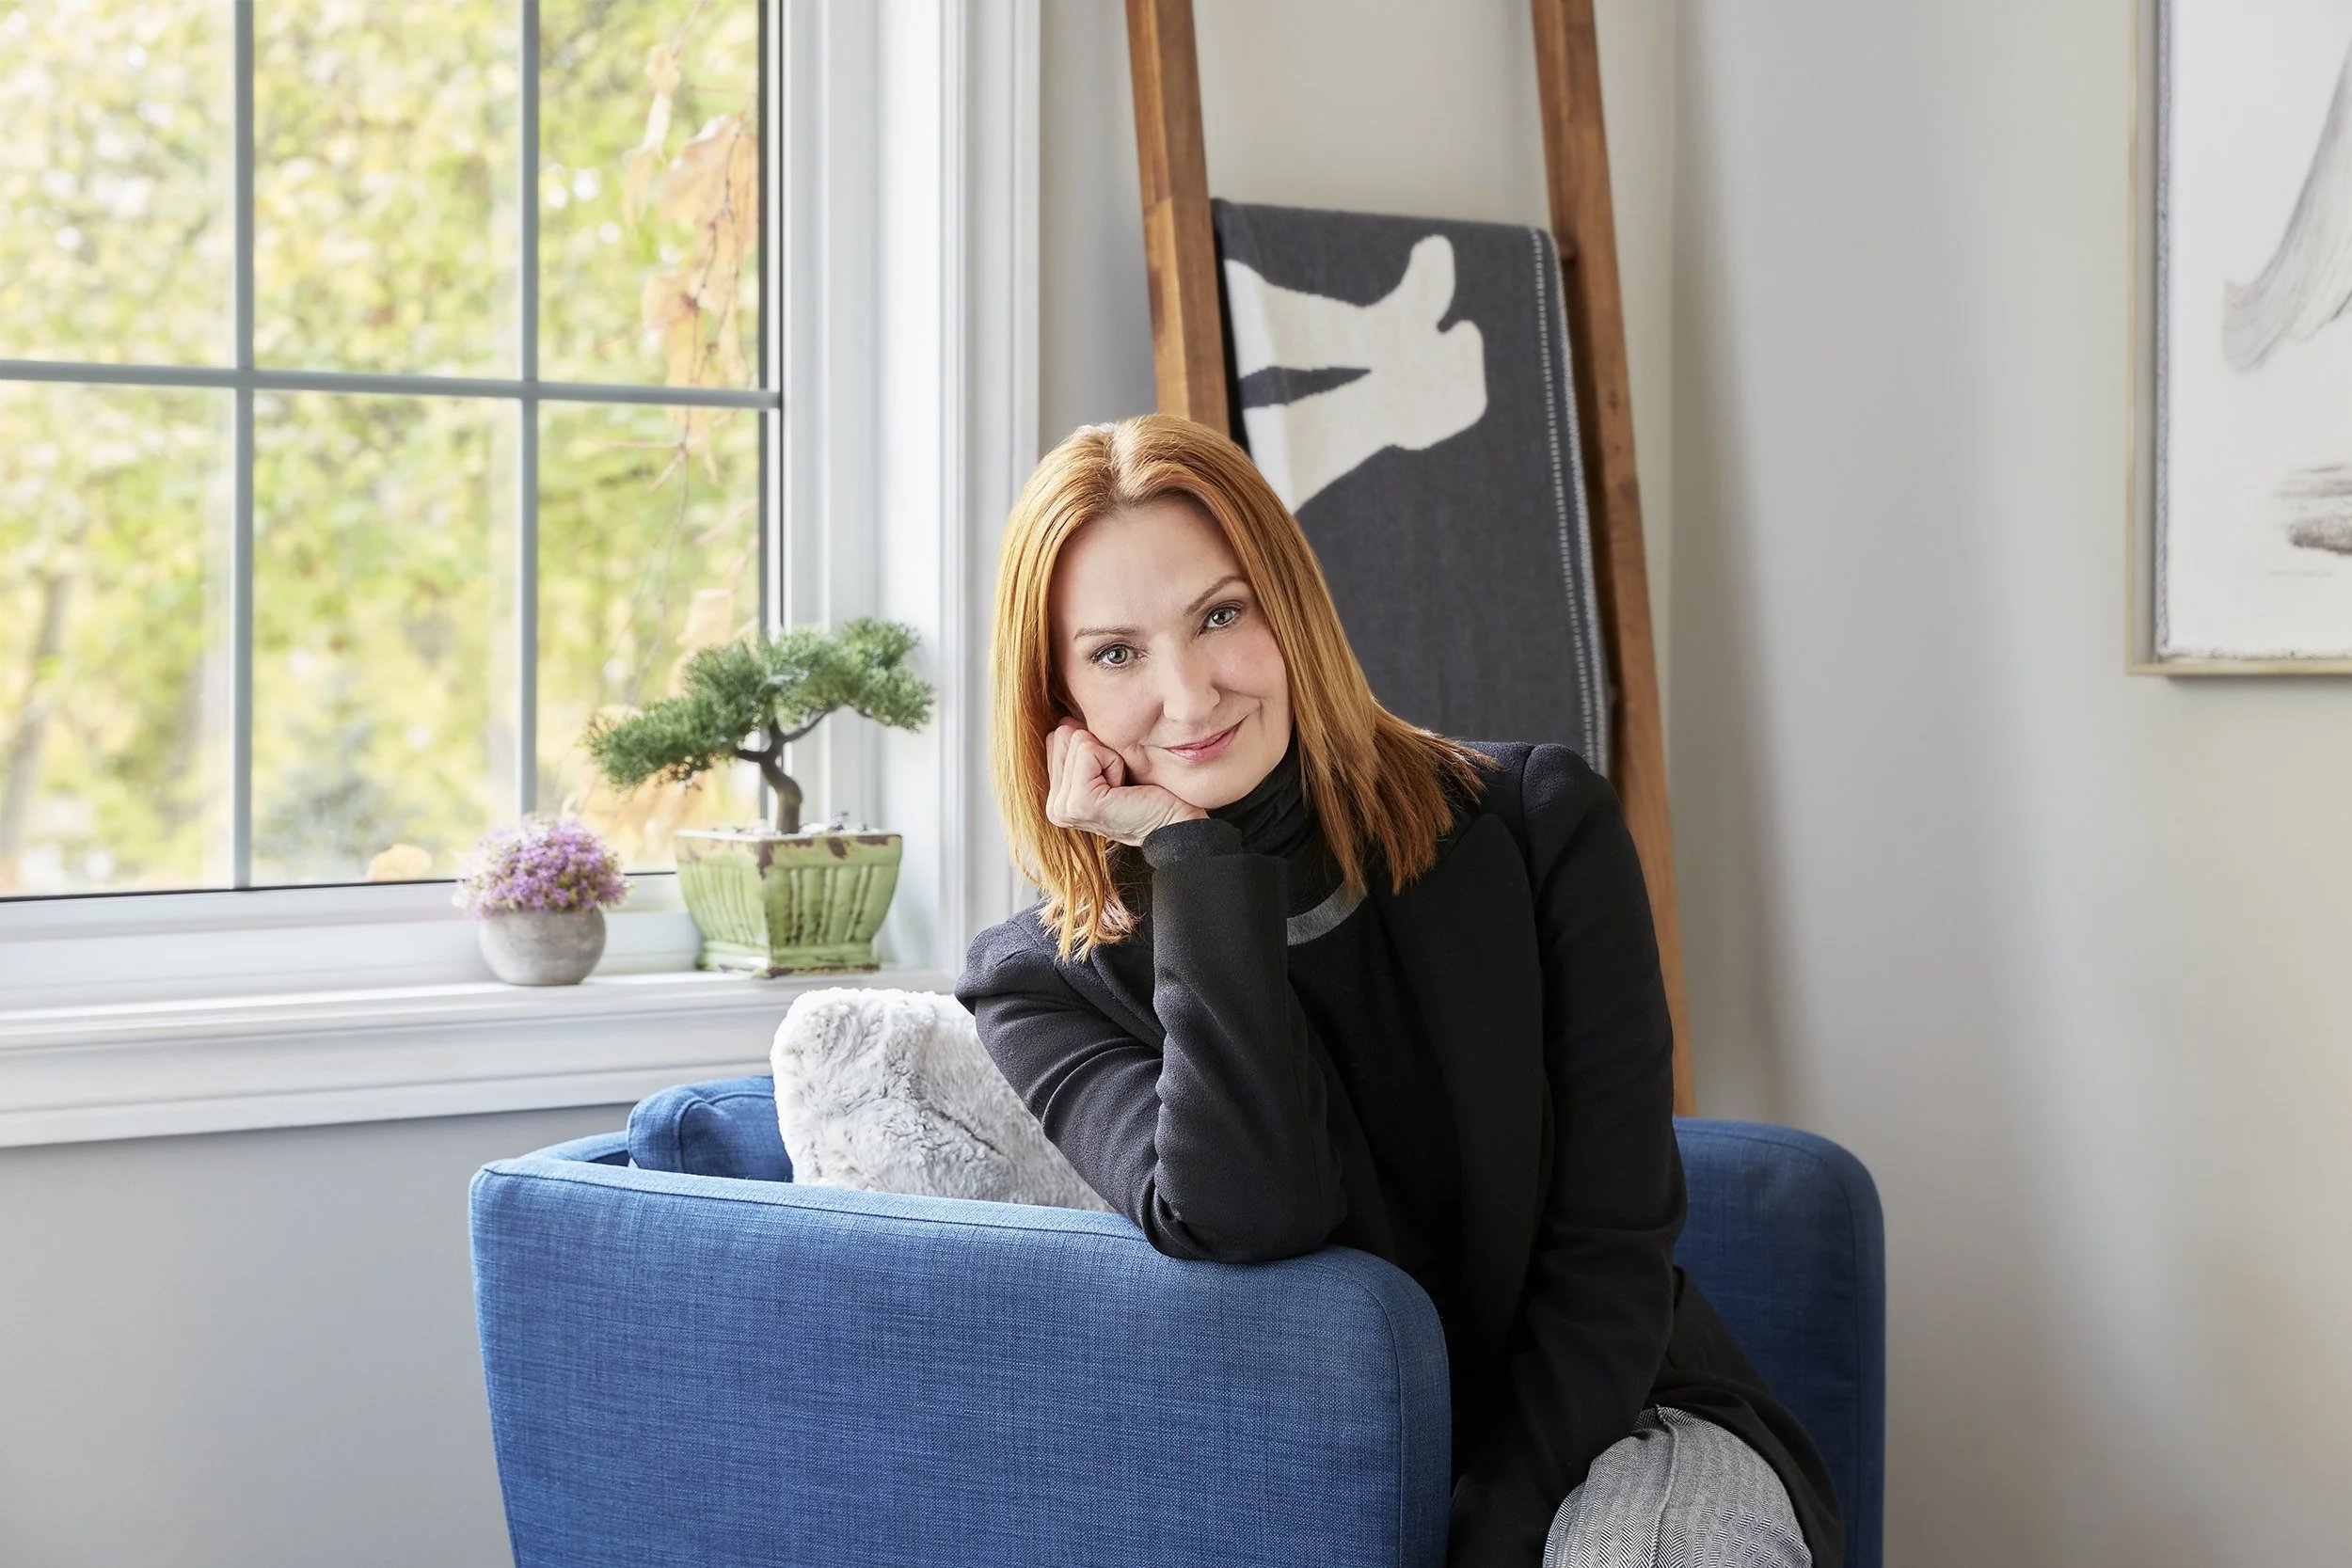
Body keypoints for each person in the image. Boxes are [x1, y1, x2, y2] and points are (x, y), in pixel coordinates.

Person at [952, 413, 1843, 1568]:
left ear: (1290, 609)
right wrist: (1196, 862)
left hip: (1622, 1426)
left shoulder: (1537, 827)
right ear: (1056, 700)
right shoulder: (1038, 985)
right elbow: (1250, 1212)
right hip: (1327, 1490)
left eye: (1221, 614)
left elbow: (1611, 1252)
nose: (1189, 693)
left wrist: (1480, 1540)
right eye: (1116, 654)